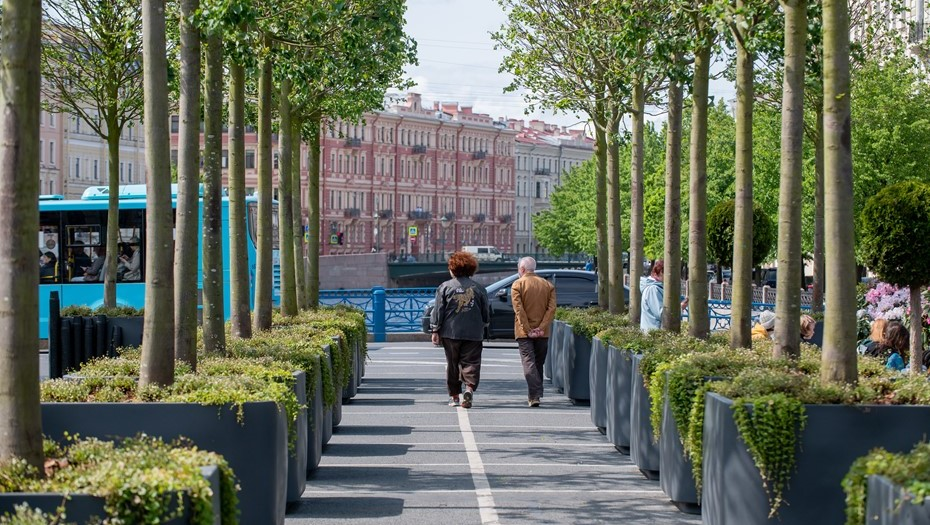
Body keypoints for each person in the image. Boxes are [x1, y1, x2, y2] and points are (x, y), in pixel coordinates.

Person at [430, 251, 490, 409]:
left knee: (452, 363)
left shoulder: (445, 287)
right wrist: (484, 324)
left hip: (451, 332)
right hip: (474, 332)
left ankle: (454, 396)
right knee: (472, 362)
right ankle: (469, 388)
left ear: (453, 269)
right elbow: (486, 312)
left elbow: (438, 311)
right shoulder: (479, 288)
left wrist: (435, 330)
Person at [511, 256, 556, 407]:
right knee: (538, 363)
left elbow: (519, 310)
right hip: (543, 333)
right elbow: (551, 310)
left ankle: (535, 394)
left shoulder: (517, 284)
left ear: (522, 270)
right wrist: (541, 327)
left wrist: (528, 329)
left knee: (528, 362)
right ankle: (535, 395)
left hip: (524, 332)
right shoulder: (548, 285)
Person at [640, 259, 687, 332]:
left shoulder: (656, 288)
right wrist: (680, 307)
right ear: (660, 273)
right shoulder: (653, 289)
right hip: (654, 336)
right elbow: (662, 314)